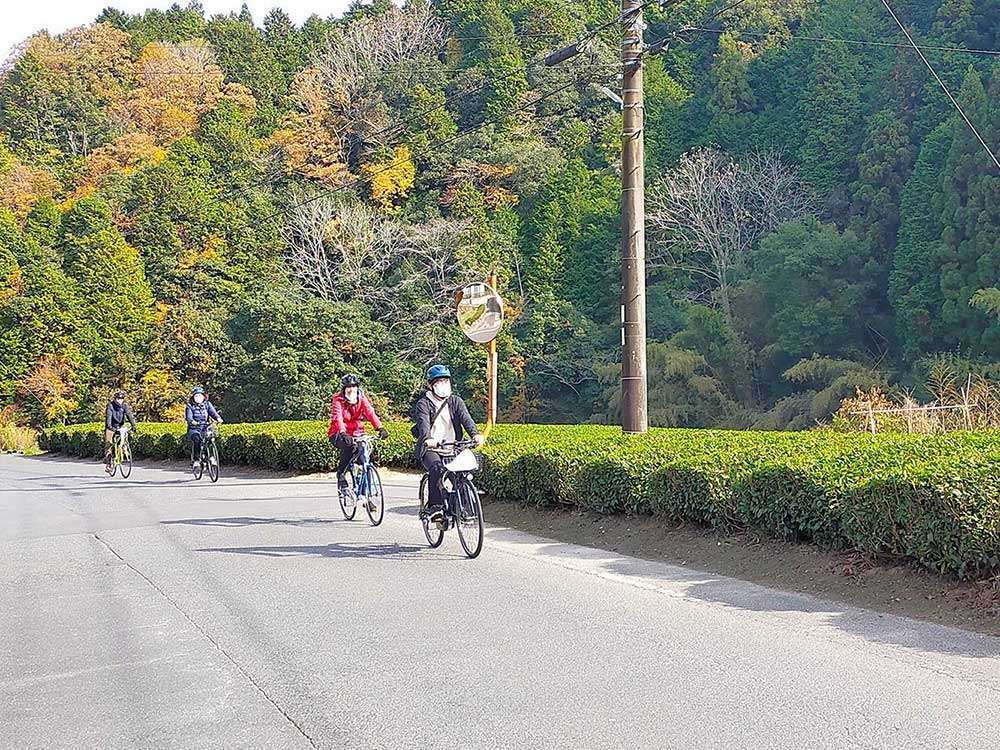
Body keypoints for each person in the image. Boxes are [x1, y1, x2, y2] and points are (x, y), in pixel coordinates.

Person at [412, 364, 484, 520]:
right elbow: (423, 424)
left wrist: (475, 434)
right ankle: (435, 507)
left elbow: (467, 419)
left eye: (445, 381)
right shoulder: (423, 404)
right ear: (430, 385)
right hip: (432, 448)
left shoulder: (456, 401)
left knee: (463, 473)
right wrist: (428, 439)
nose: (443, 385)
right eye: (438, 382)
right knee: (437, 469)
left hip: (454, 446)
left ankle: (463, 508)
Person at [328, 374, 389, 499]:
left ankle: (366, 491)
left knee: (367, 455)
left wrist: (380, 427)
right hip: (339, 432)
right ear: (344, 389)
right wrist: (342, 432)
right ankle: (341, 475)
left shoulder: (361, 398)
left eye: (354, 386)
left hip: (357, 432)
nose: (351, 390)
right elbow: (337, 417)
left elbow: (370, 412)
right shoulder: (338, 399)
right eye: (348, 387)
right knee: (349, 446)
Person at [185, 386, 222, 473]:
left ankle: (211, 457)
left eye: (200, 396)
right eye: (196, 396)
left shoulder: (207, 404)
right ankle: (196, 460)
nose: (198, 398)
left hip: (205, 426)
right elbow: (188, 417)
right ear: (193, 397)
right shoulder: (190, 405)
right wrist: (192, 421)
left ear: (203, 397)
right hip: (194, 428)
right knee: (197, 440)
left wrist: (218, 418)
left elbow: (213, 412)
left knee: (210, 439)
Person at [104, 389, 137, 473]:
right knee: (109, 444)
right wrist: (110, 427)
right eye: (118, 398)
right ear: (115, 399)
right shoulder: (110, 406)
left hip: (120, 426)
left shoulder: (124, 406)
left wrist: (133, 425)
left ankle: (123, 449)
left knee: (124, 438)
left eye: (122, 398)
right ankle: (108, 463)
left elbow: (129, 415)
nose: (120, 400)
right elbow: (109, 417)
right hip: (111, 426)